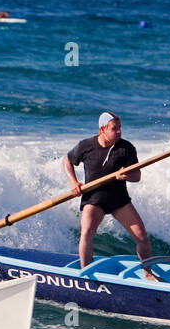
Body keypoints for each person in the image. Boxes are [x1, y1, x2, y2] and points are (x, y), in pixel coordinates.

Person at [63, 112, 152, 274]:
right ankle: (86, 274)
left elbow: (137, 176)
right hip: (94, 199)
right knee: (86, 233)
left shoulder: (126, 148)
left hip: (119, 200)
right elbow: (67, 160)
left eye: (120, 128)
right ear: (102, 130)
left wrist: (126, 175)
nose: (119, 131)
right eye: (114, 128)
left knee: (142, 237)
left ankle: (148, 273)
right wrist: (74, 183)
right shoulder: (86, 146)